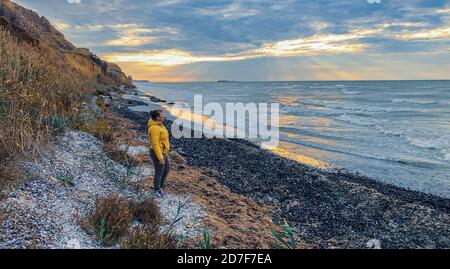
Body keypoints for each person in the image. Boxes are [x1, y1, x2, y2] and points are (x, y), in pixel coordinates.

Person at [147, 109, 170, 198]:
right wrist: (160, 158)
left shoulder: (159, 125)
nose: (163, 117)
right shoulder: (154, 128)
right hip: (157, 152)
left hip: (163, 152)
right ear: (157, 117)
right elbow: (155, 144)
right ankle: (156, 190)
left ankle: (161, 187)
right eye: (162, 116)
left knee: (166, 169)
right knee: (159, 171)